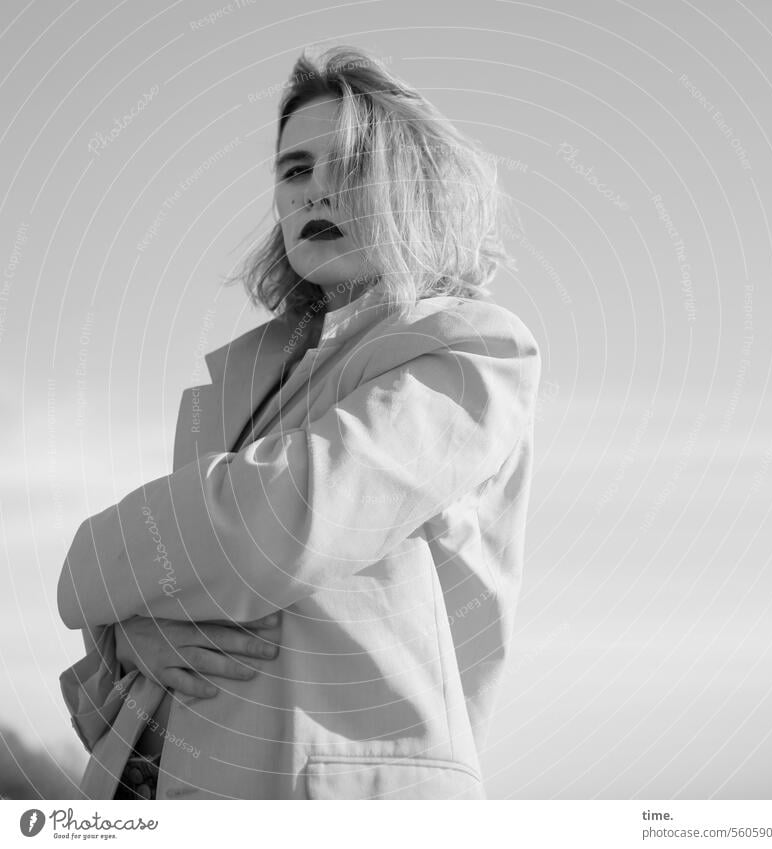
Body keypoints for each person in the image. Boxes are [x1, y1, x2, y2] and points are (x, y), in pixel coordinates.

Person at [57, 43, 541, 800]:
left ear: (411, 184)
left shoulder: (474, 348)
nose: (317, 190)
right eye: (295, 169)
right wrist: (130, 635)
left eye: (350, 165)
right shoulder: (243, 381)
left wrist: (88, 562)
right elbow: (199, 571)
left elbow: (281, 524)